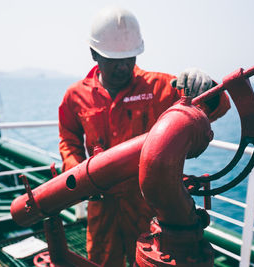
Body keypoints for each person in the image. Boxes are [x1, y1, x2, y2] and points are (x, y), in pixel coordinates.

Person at [58, 6, 230, 267]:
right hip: (101, 203)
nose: (124, 66)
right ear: (94, 54)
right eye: (114, 59)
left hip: (148, 203)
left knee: (150, 259)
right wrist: (79, 176)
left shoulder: (161, 87)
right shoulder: (76, 96)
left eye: (130, 57)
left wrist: (208, 88)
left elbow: (212, 108)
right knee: (101, 261)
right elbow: (69, 139)